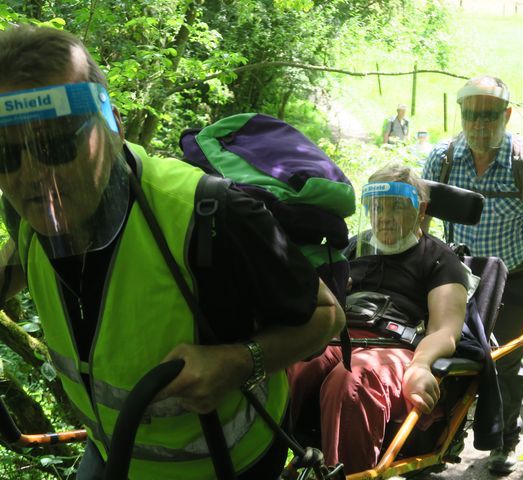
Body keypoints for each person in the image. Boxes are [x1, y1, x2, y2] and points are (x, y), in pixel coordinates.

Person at [0, 25, 345, 480]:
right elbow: (21, 260)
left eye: (58, 144)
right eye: (6, 154)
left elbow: (328, 315)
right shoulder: (28, 218)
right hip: (113, 454)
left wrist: (239, 362)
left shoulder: (210, 214)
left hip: (228, 464)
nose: (32, 174)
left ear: (113, 127)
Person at [422, 75, 523, 475]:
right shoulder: (441, 159)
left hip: (515, 277)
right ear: (461, 114)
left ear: (507, 115)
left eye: (489, 116)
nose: (478, 124)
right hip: (458, 277)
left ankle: (504, 439)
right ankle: (442, 441)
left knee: (506, 362)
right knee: (445, 356)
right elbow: (420, 224)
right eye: (470, 115)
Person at [288, 163, 470, 474]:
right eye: (377, 207)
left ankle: (349, 473)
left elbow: (445, 330)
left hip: (394, 346)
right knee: (294, 367)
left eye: (396, 207)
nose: (384, 216)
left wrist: (421, 365)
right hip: (337, 335)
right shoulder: (351, 248)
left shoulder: (440, 258)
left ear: (421, 209)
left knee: (351, 380)